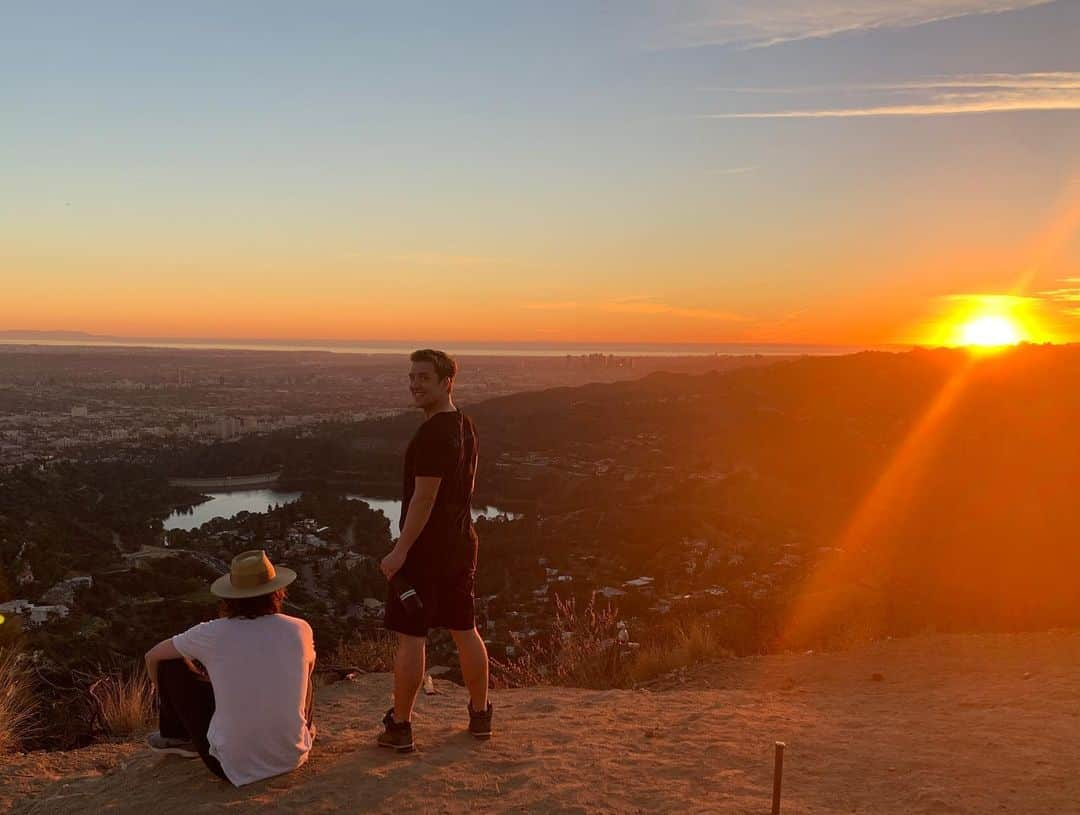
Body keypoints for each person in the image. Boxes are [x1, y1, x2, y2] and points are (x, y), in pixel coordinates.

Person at [378, 348, 492, 752]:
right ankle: (480, 716)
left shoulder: (431, 434)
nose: (414, 384)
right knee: (466, 630)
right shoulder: (466, 426)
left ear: (447, 382)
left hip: (425, 552)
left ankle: (401, 726)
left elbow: (424, 500)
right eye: (411, 377)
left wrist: (399, 552)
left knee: (412, 637)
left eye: (423, 378)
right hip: (461, 545)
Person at [143, 549, 316, 786]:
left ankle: (178, 737)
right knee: (304, 669)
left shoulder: (211, 633)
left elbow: (153, 656)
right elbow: (304, 680)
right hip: (294, 755)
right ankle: (303, 728)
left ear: (229, 598)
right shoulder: (300, 628)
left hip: (230, 767)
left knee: (170, 664)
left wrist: (166, 695)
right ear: (277, 592)